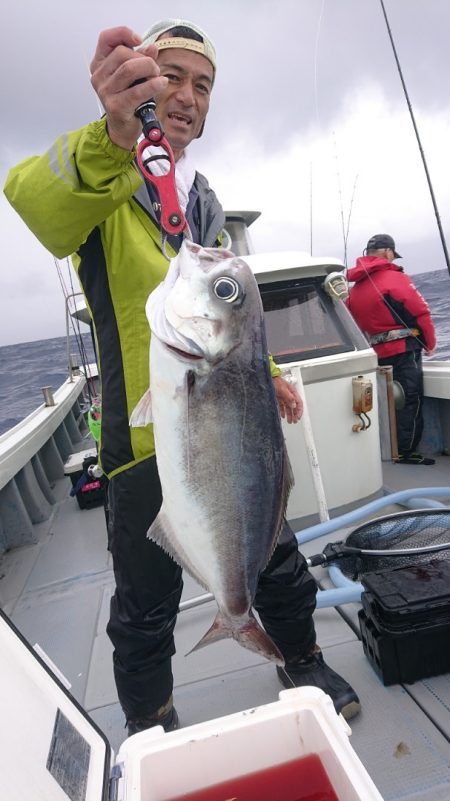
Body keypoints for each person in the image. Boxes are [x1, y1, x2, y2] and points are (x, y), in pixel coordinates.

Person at [4, 19, 360, 733]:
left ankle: (302, 657)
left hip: (232, 425)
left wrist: (269, 372)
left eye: (203, 85)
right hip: (141, 440)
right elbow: (36, 202)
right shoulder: (105, 185)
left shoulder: (203, 203)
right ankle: (152, 722)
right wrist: (112, 137)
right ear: (140, 82)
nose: (188, 96)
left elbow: (225, 325)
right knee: (144, 604)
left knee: (276, 558)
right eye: (171, 76)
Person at [347, 233, 436, 465]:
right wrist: (430, 344)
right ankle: (405, 452)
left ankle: (386, 448)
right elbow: (421, 313)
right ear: (388, 252)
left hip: (376, 356)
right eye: (393, 255)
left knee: (386, 401)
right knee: (409, 399)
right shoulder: (396, 279)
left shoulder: (355, 288)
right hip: (404, 351)